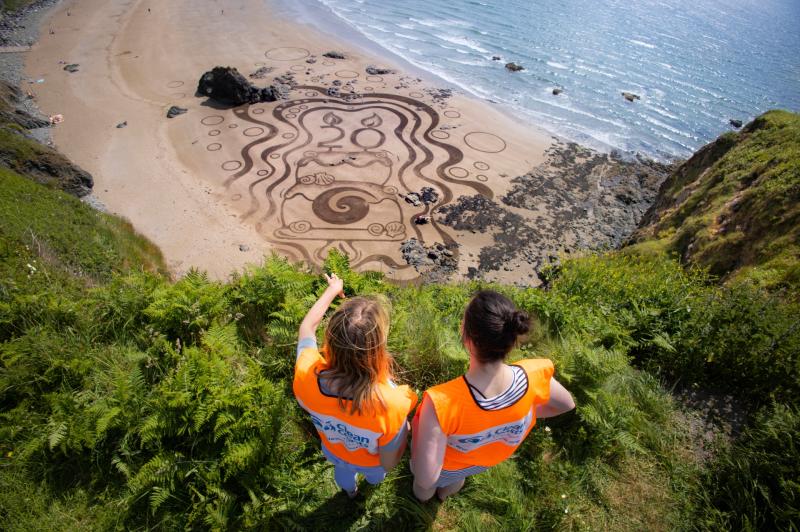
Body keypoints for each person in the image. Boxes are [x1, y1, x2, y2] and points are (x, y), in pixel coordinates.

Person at [411, 290, 575, 502]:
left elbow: (426, 478)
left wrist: (415, 448)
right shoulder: (534, 375)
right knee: (456, 481)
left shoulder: (442, 403)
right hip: (485, 461)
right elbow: (566, 404)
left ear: (466, 336)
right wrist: (522, 412)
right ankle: (445, 496)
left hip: (448, 465)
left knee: (425, 488)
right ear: (511, 338)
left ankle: (421, 503)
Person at [294, 273, 418, 498]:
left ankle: (350, 493)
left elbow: (306, 328)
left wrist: (332, 291)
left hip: (334, 452)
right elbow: (389, 462)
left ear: (329, 338)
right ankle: (370, 486)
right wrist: (405, 431)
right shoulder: (393, 404)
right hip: (371, 464)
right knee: (376, 476)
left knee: (342, 475)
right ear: (378, 349)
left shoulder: (305, 375)